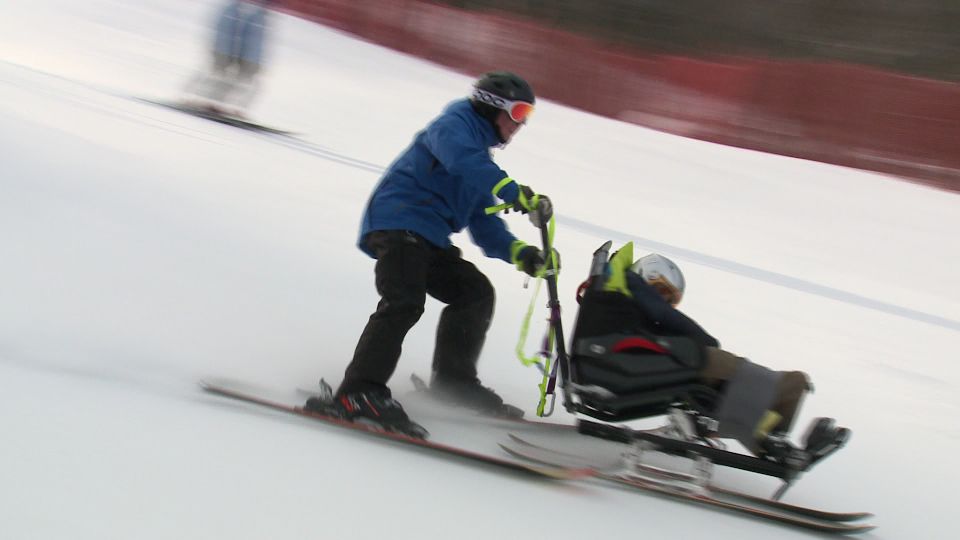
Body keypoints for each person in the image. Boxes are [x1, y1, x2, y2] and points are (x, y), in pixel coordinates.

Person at [305, 72, 556, 438]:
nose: (521, 124)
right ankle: (358, 392)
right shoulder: (454, 125)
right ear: (491, 106)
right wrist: (511, 190)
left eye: (527, 116)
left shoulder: (479, 159)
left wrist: (523, 254)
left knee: (474, 292)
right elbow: (461, 160)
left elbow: (486, 230)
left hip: (428, 238)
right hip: (398, 222)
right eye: (518, 112)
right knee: (405, 300)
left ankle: (453, 384)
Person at [571, 242, 849, 467]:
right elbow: (666, 316)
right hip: (626, 362)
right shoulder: (633, 285)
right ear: (648, 275)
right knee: (729, 369)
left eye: (669, 297)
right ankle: (776, 422)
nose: (663, 299)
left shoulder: (624, 289)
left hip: (630, 360)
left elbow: (660, 319)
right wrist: (702, 344)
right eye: (662, 290)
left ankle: (770, 432)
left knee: (727, 378)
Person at [182, 0, 274, 117]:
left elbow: (246, 39)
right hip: (234, 55)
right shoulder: (249, 16)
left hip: (235, 54)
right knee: (221, 77)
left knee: (222, 78)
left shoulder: (249, 16)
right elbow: (242, 38)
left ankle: (211, 102)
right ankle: (201, 100)